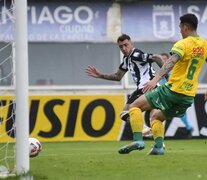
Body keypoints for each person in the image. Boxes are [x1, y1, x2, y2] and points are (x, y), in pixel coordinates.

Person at [118, 13, 207, 155]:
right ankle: (159, 147)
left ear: (185, 27)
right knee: (156, 117)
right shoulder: (204, 44)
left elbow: (171, 62)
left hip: (172, 91)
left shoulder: (183, 43)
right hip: (188, 97)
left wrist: (155, 79)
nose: (179, 31)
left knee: (134, 106)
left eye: (180, 27)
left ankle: (138, 140)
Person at [85, 34, 163, 137]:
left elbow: (157, 57)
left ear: (132, 44)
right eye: (121, 46)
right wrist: (100, 75)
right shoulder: (127, 60)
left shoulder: (136, 55)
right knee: (148, 116)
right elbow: (118, 76)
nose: (124, 48)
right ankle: (157, 142)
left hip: (147, 87)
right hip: (145, 89)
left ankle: (143, 131)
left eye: (126, 45)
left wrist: (166, 76)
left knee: (129, 112)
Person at [160, 53, 194, 138]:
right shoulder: (162, 72)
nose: (163, 61)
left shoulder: (173, 70)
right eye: (162, 59)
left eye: (165, 59)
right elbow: (161, 83)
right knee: (164, 112)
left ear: (169, 60)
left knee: (169, 112)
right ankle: (189, 127)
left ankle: (158, 132)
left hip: (173, 93)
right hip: (166, 93)